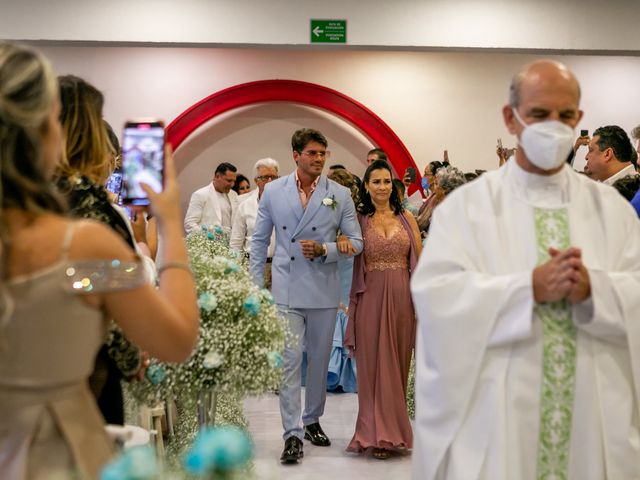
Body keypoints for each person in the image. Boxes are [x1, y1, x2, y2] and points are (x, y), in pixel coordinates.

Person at [411, 59, 640, 480]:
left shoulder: (613, 212)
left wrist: (595, 290)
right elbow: (437, 297)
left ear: (579, 122)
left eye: (565, 115)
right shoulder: (466, 209)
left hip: (589, 422)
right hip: (497, 421)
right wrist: (525, 289)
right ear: (510, 118)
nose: (554, 125)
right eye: (539, 114)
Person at [0, 43, 199, 479]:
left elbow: (78, 287)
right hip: (55, 454)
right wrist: (167, 222)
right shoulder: (81, 248)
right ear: (40, 131)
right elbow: (176, 339)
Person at [249, 128, 363, 465]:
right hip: (285, 288)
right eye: (312, 153)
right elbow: (259, 241)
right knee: (289, 362)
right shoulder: (272, 191)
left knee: (318, 361)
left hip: (323, 290)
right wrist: (257, 287)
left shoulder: (338, 194)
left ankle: (313, 418)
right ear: (296, 155)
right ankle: (292, 434)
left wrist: (327, 249)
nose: (318, 159)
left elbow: (357, 242)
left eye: (322, 153)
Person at [55, 75, 153, 425]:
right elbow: (105, 291)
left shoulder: (29, 198)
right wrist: (129, 354)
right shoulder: (92, 208)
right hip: (84, 369)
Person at [345, 159, 421, 460]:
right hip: (370, 297)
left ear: (394, 185)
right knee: (372, 366)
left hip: (403, 296)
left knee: (397, 365)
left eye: (386, 181)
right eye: (375, 181)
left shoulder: (407, 218)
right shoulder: (359, 220)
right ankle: (371, 433)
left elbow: (419, 259)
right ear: (366, 186)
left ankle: (393, 433)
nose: (382, 187)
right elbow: (348, 250)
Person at [325, 168, 360, 393]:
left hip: (347, 264)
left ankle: (340, 370)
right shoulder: (326, 210)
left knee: (343, 305)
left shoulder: (351, 215)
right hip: (332, 264)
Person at [230, 157, 279, 287]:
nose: (270, 181)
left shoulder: (287, 204)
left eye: (274, 177)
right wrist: (236, 270)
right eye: (265, 177)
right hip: (251, 265)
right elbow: (236, 243)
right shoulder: (244, 206)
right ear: (256, 180)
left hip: (278, 267)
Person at [184, 162, 238, 234]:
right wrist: (209, 237)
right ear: (217, 176)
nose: (232, 185)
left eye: (234, 181)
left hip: (230, 242)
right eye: (229, 181)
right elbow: (189, 224)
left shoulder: (234, 195)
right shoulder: (200, 194)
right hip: (209, 242)